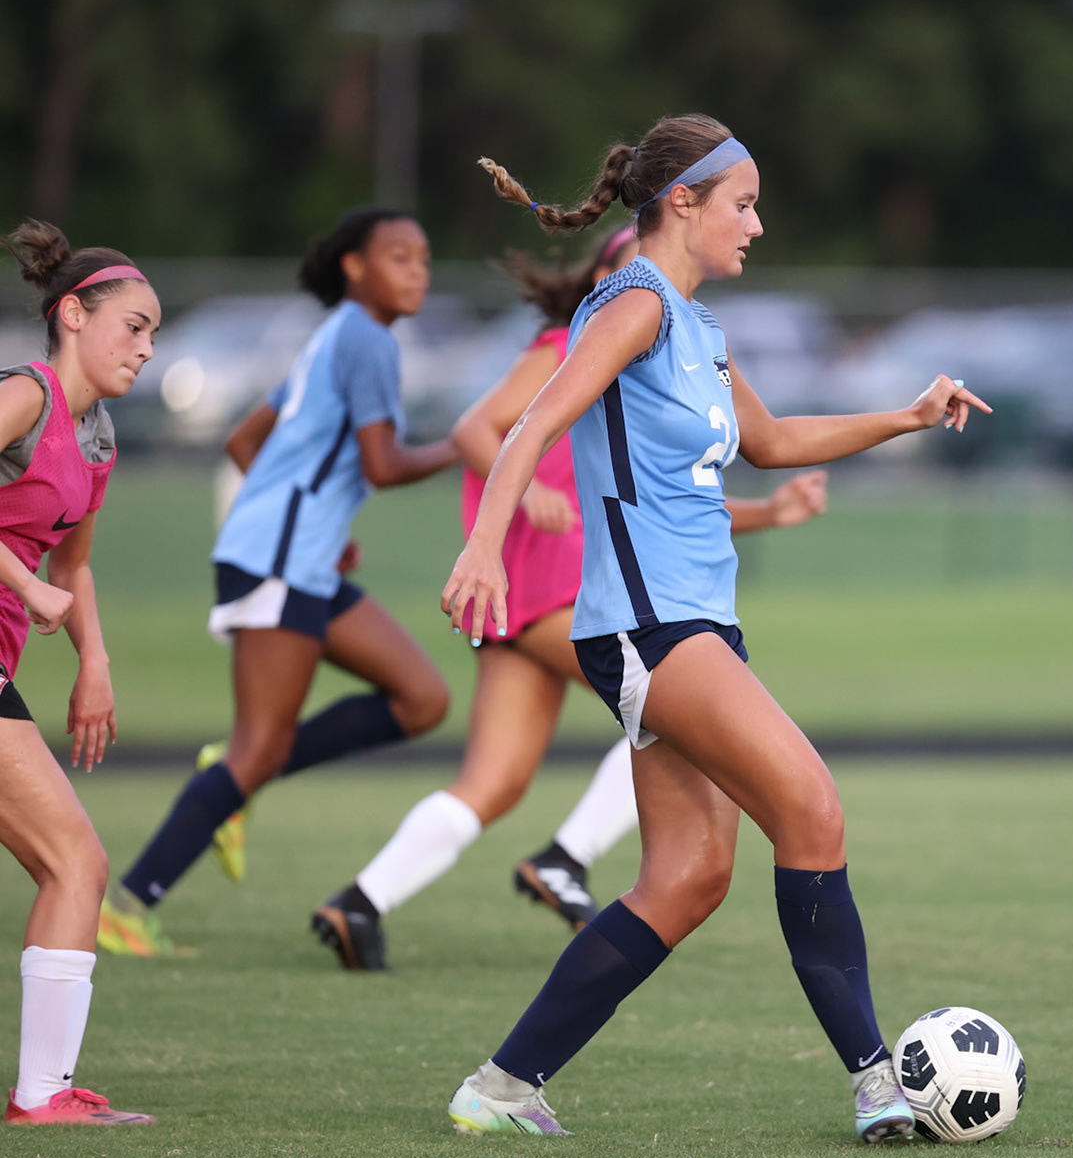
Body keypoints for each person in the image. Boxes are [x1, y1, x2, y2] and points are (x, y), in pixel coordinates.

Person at [441, 114, 986, 1142]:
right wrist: (483, 546)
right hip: (650, 625)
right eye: (744, 203)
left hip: (689, 626)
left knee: (687, 880)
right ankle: (877, 1083)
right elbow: (534, 422)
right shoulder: (636, 303)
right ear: (682, 202)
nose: (758, 224)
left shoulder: (698, 329)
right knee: (812, 808)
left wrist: (908, 416)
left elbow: (772, 441)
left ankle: (501, 1088)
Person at [311, 226, 829, 970]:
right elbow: (476, 427)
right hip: (547, 586)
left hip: (546, 596)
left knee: (492, 784)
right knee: (679, 712)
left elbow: (676, 502)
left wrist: (771, 513)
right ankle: (565, 858)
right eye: (629, 264)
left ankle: (360, 902)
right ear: (602, 279)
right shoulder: (574, 342)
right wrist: (520, 505)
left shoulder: (660, 351)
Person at [97, 208, 458, 957]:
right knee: (256, 748)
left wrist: (318, 521)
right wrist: (468, 444)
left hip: (300, 559)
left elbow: (244, 441)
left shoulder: (338, 334)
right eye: (399, 256)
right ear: (355, 267)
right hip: (278, 562)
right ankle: (127, 905)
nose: (417, 271)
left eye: (423, 258)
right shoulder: (365, 337)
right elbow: (384, 465)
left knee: (422, 698)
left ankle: (236, 774)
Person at [0, 220, 155, 1124]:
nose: (146, 347)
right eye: (133, 326)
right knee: (76, 862)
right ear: (72, 314)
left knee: (70, 865)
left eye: (153, 333)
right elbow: (42, 577)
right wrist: (24, 584)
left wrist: (94, 661)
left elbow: (75, 566)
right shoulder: (26, 394)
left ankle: (42, 1092)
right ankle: (42, 1095)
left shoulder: (96, 438)